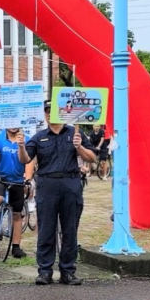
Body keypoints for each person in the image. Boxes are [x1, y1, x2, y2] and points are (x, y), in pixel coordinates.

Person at [18, 100, 97, 285]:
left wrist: (79, 147)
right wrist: (21, 146)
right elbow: (26, 159)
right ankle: (45, 271)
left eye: (53, 111)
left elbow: (92, 158)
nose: (49, 114)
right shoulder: (38, 137)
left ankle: (67, 271)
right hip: (47, 184)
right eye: (46, 111)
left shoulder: (74, 133)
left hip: (71, 182)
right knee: (46, 228)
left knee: (70, 229)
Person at [0, 127, 35, 259]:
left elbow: (30, 160)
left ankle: (16, 246)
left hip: (17, 180)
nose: (13, 125)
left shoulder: (26, 138)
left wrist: (28, 178)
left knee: (17, 214)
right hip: (1, 178)